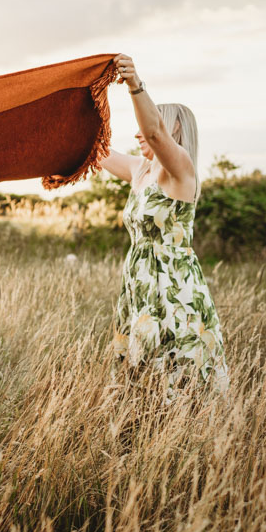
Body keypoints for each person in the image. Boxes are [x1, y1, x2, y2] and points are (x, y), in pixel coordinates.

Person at [96, 53, 228, 394]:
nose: (139, 132)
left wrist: (135, 85)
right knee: (140, 371)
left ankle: (185, 433)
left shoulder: (180, 169)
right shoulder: (140, 169)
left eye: (152, 122)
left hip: (173, 283)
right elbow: (95, 150)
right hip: (139, 282)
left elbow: (153, 133)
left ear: (176, 128)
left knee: (178, 366)